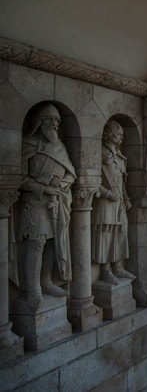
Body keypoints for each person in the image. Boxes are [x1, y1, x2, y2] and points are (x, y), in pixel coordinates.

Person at [16, 103, 76, 309]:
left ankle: (46, 281)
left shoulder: (60, 146)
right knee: (37, 243)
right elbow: (19, 179)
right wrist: (43, 187)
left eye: (58, 120)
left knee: (53, 242)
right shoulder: (28, 144)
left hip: (58, 202)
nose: (55, 124)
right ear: (39, 122)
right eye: (51, 119)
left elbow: (71, 173)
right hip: (36, 203)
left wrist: (61, 184)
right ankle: (33, 289)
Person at [92, 120, 136, 285]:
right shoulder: (99, 153)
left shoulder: (119, 157)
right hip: (105, 203)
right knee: (106, 236)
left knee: (120, 233)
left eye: (122, 135)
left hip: (119, 204)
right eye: (118, 134)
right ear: (108, 134)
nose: (121, 137)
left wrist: (126, 198)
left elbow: (122, 182)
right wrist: (108, 194)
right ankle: (105, 270)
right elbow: (91, 181)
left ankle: (118, 266)